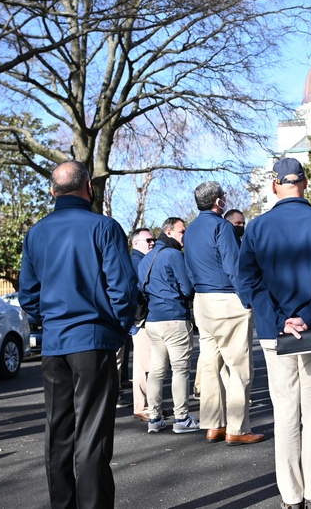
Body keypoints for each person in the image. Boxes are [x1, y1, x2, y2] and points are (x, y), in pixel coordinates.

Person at [19, 160, 138, 509]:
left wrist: (51, 321)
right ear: (88, 187)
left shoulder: (37, 232)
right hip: (93, 338)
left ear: (53, 192)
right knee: (92, 434)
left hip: (56, 342)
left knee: (59, 433)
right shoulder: (103, 226)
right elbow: (124, 287)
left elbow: (28, 293)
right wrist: (118, 325)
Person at [239, 158, 311, 509]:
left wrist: (282, 318)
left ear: (275, 186)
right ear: (305, 183)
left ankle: (291, 496)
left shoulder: (257, 228)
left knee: (287, 412)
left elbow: (247, 281)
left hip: (277, 332)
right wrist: (309, 315)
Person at [183, 181, 263, 445]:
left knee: (210, 365)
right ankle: (237, 429)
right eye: (224, 196)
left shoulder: (191, 229)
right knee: (239, 366)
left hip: (202, 301)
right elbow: (233, 266)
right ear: (218, 202)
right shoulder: (222, 226)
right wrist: (247, 299)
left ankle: (213, 425)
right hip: (226, 298)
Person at [138, 217, 200, 434]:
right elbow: (187, 289)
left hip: (153, 320)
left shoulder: (146, 258)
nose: (185, 235)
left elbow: (142, 291)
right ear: (169, 232)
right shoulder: (173, 255)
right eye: (182, 231)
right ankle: (181, 418)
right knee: (180, 370)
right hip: (174, 318)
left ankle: (154, 418)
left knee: (156, 370)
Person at [129, 228, 155, 422]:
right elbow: (138, 292)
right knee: (143, 365)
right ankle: (142, 406)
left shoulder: (140, 261)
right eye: (148, 240)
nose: (152, 243)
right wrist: (138, 320)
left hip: (142, 320)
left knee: (147, 364)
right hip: (142, 320)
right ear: (135, 243)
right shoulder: (137, 262)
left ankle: (147, 404)